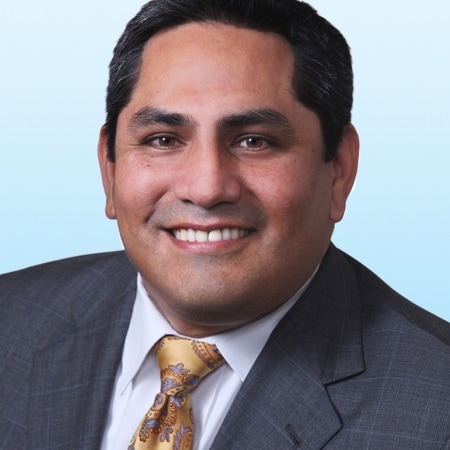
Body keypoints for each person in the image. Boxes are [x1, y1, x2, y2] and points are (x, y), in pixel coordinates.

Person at [1, 0, 450, 448]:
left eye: (254, 141)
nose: (206, 188)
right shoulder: (11, 321)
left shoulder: (434, 408)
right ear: (110, 169)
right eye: (163, 139)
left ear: (339, 171)